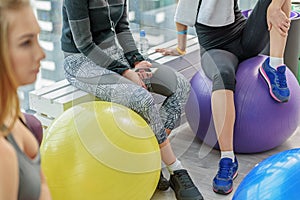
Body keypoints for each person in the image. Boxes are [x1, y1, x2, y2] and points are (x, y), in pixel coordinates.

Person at [61, 0, 203, 199]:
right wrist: (126, 72)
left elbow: (122, 27)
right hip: (82, 62)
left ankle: (150, 161)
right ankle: (175, 169)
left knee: (180, 86)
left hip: (117, 57)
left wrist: (136, 60)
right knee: (141, 99)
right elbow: (84, 44)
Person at [156, 0, 291, 195]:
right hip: (216, 49)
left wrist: (273, 7)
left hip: (244, 37)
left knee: (277, 1)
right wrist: (180, 48)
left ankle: (276, 65)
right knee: (224, 75)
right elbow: (181, 15)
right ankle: (228, 159)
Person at [0, 0, 52, 199]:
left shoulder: (12, 111)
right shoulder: (2, 152)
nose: (41, 53)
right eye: (26, 42)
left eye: (37, 39)